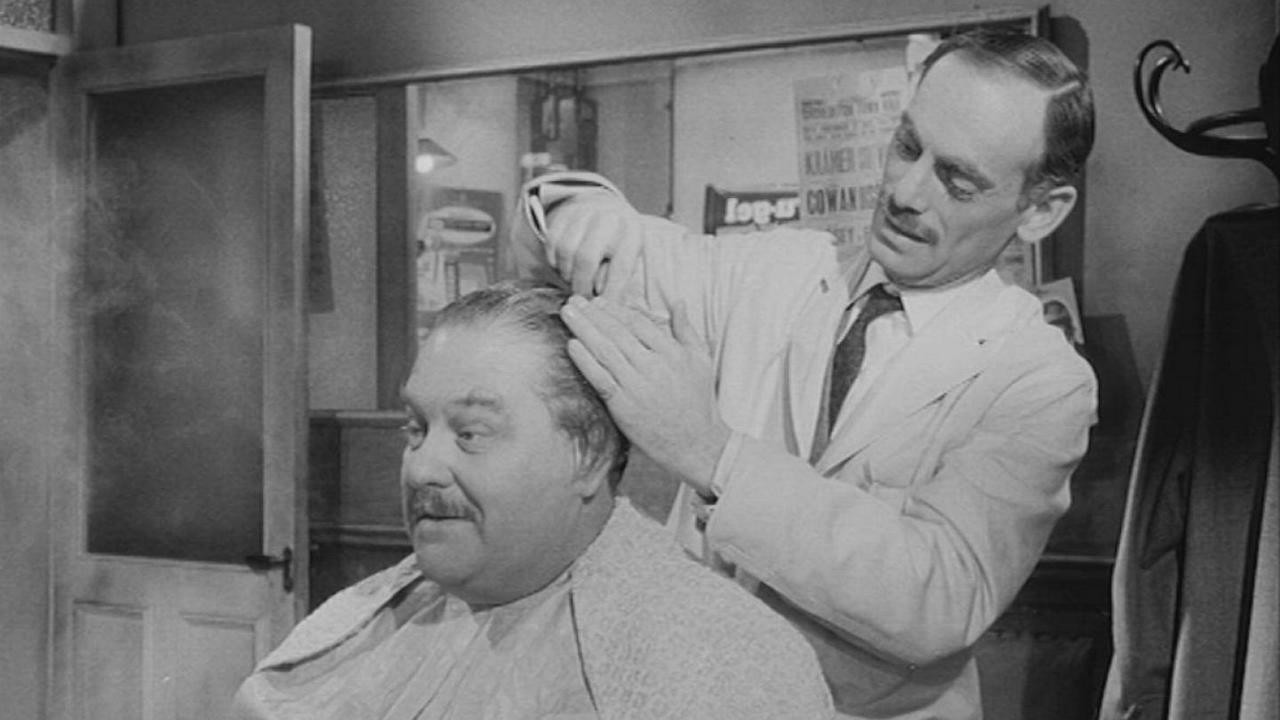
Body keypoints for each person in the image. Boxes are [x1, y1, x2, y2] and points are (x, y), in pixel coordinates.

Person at [516, 27, 1098, 719]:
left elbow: (939, 597)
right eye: (908, 146)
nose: (907, 191)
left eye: (957, 180)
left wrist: (715, 456)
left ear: (1040, 210)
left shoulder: (1039, 378)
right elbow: (583, 240)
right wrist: (582, 210)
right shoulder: (782, 271)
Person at [230, 282, 833, 720]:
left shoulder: (725, 662)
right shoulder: (368, 615)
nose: (423, 467)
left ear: (588, 455)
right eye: (415, 428)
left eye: (470, 434)